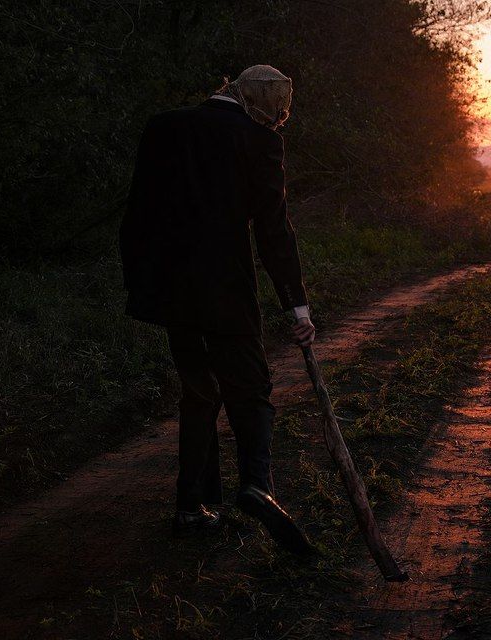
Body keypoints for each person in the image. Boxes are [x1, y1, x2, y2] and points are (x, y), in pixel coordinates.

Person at [119, 65, 315, 554]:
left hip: (169, 290)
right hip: (225, 289)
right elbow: (273, 233)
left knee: (199, 392)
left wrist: (145, 280)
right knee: (251, 390)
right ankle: (256, 484)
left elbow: (138, 211)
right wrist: (298, 308)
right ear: (264, 107)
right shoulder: (258, 141)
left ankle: (192, 508)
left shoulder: (164, 126)